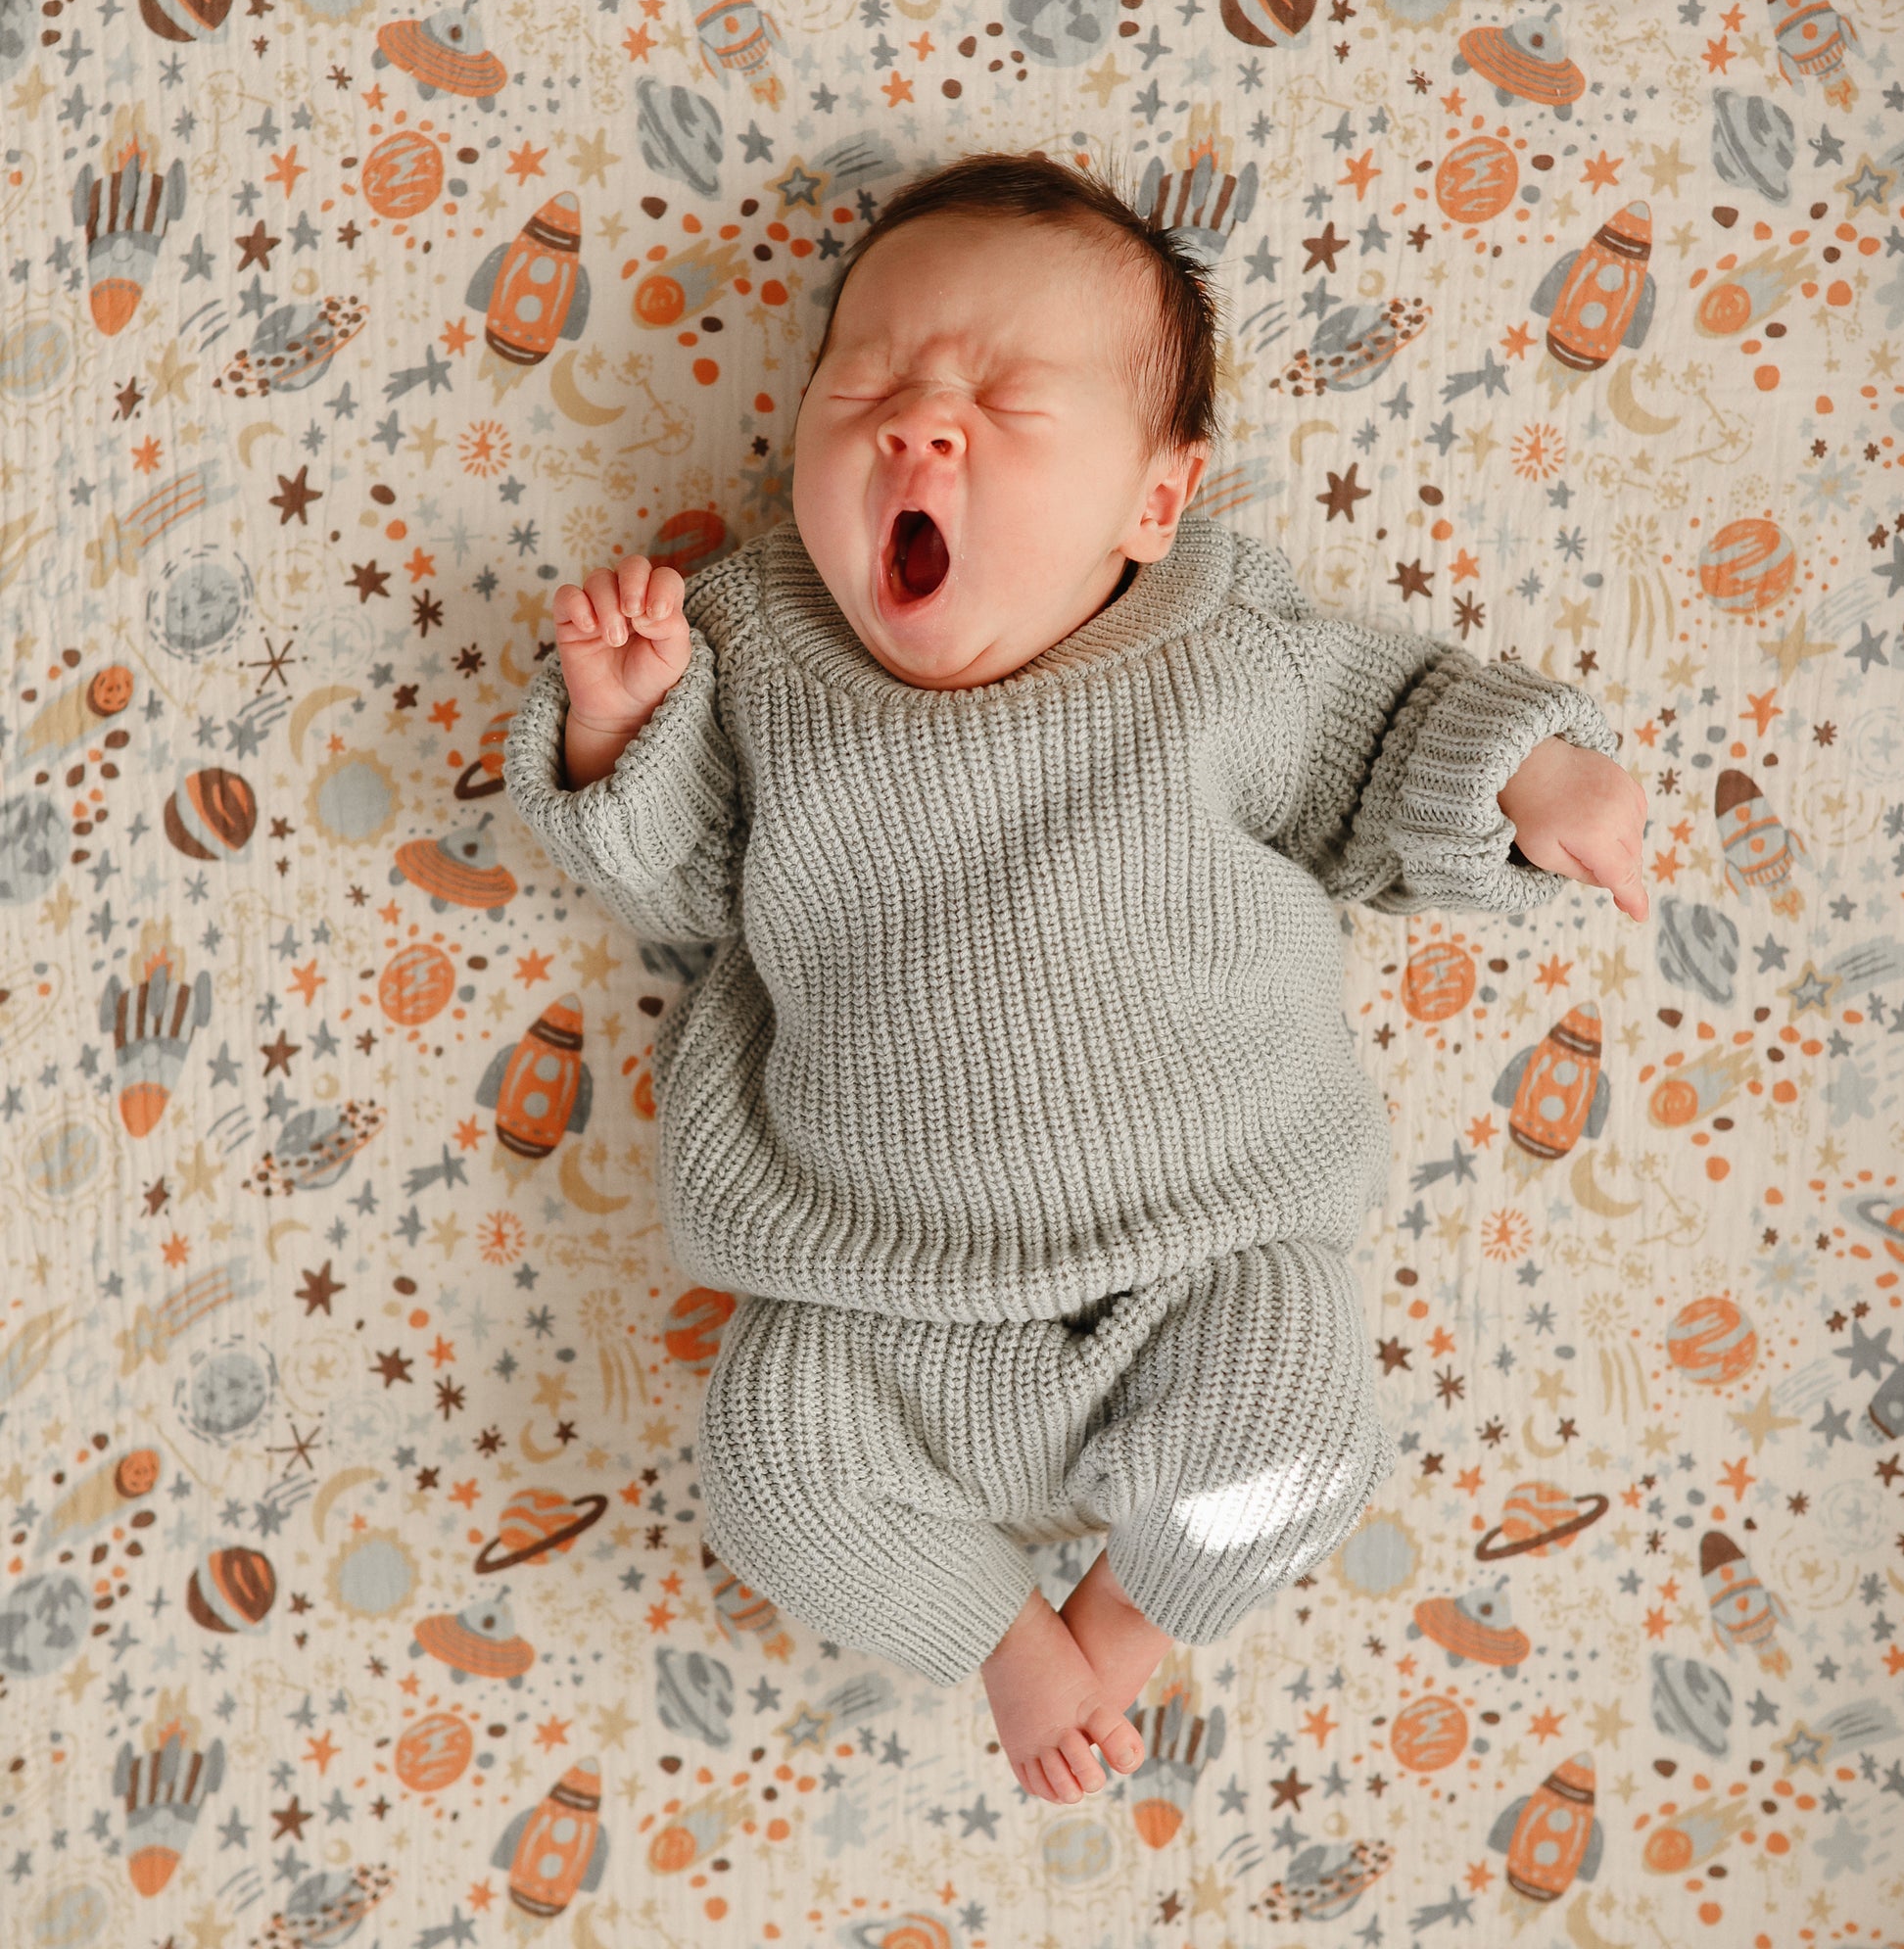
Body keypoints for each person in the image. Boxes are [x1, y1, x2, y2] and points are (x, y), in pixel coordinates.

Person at [502, 150, 1649, 1811]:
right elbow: (678, 878)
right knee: (768, 1468)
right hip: (873, 1296)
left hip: (1204, 1262)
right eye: (870, 380)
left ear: (1154, 502)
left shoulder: (1220, 648)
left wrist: (1537, 780)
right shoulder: (751, 646)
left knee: (1307, 1429)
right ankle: (998, 1640)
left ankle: (1120, 1629)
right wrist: (619, 719)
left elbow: (1386, 736)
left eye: (1005, 402)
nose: (918, 425)